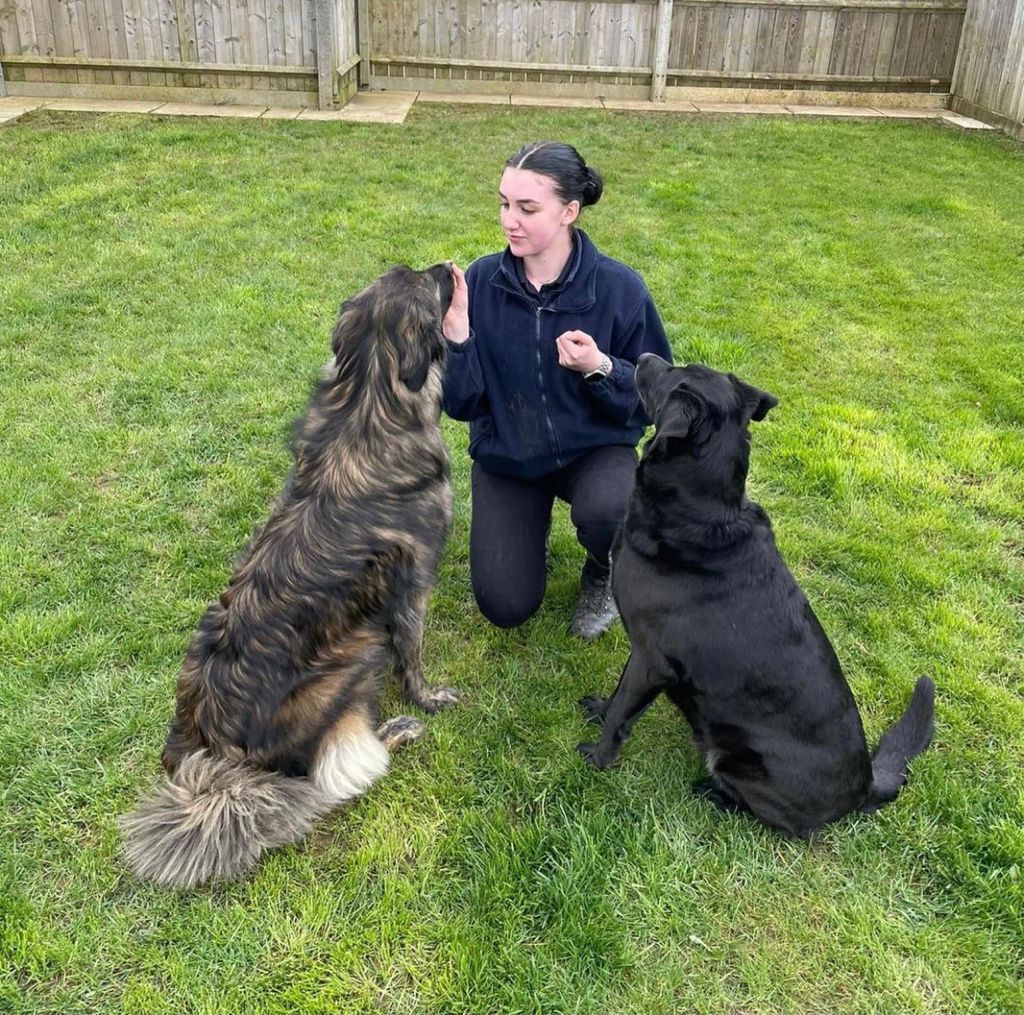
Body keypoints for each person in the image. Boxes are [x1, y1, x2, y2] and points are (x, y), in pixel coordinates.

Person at [442, 141, 672, 639]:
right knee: (505, 605)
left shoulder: (619, 289)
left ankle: (604, 568)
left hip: (593, 451)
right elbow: (461, 405)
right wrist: (458, 339)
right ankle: (529, 529)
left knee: (613, 510)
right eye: (504, 203)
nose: (509, 220)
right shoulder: (481, 282)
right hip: (509, 457)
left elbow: (659, 397)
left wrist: (601, 367)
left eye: (527, 208)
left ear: (570, 211)